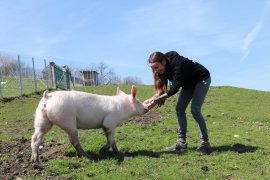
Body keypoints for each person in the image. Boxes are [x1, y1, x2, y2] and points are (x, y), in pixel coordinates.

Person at [144, 51, 211, 153]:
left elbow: (174, 89)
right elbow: (162, 90)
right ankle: (181, 143)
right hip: (188, 84)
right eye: (153, 69)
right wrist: (152, 99)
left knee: (195, 110)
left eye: (156, 67)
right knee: (179, 108)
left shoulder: (178, 64)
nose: (155, 71)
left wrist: (158, 99)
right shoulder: (162, 69)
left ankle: (205, 143)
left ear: (163, 61)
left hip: (201, 79)